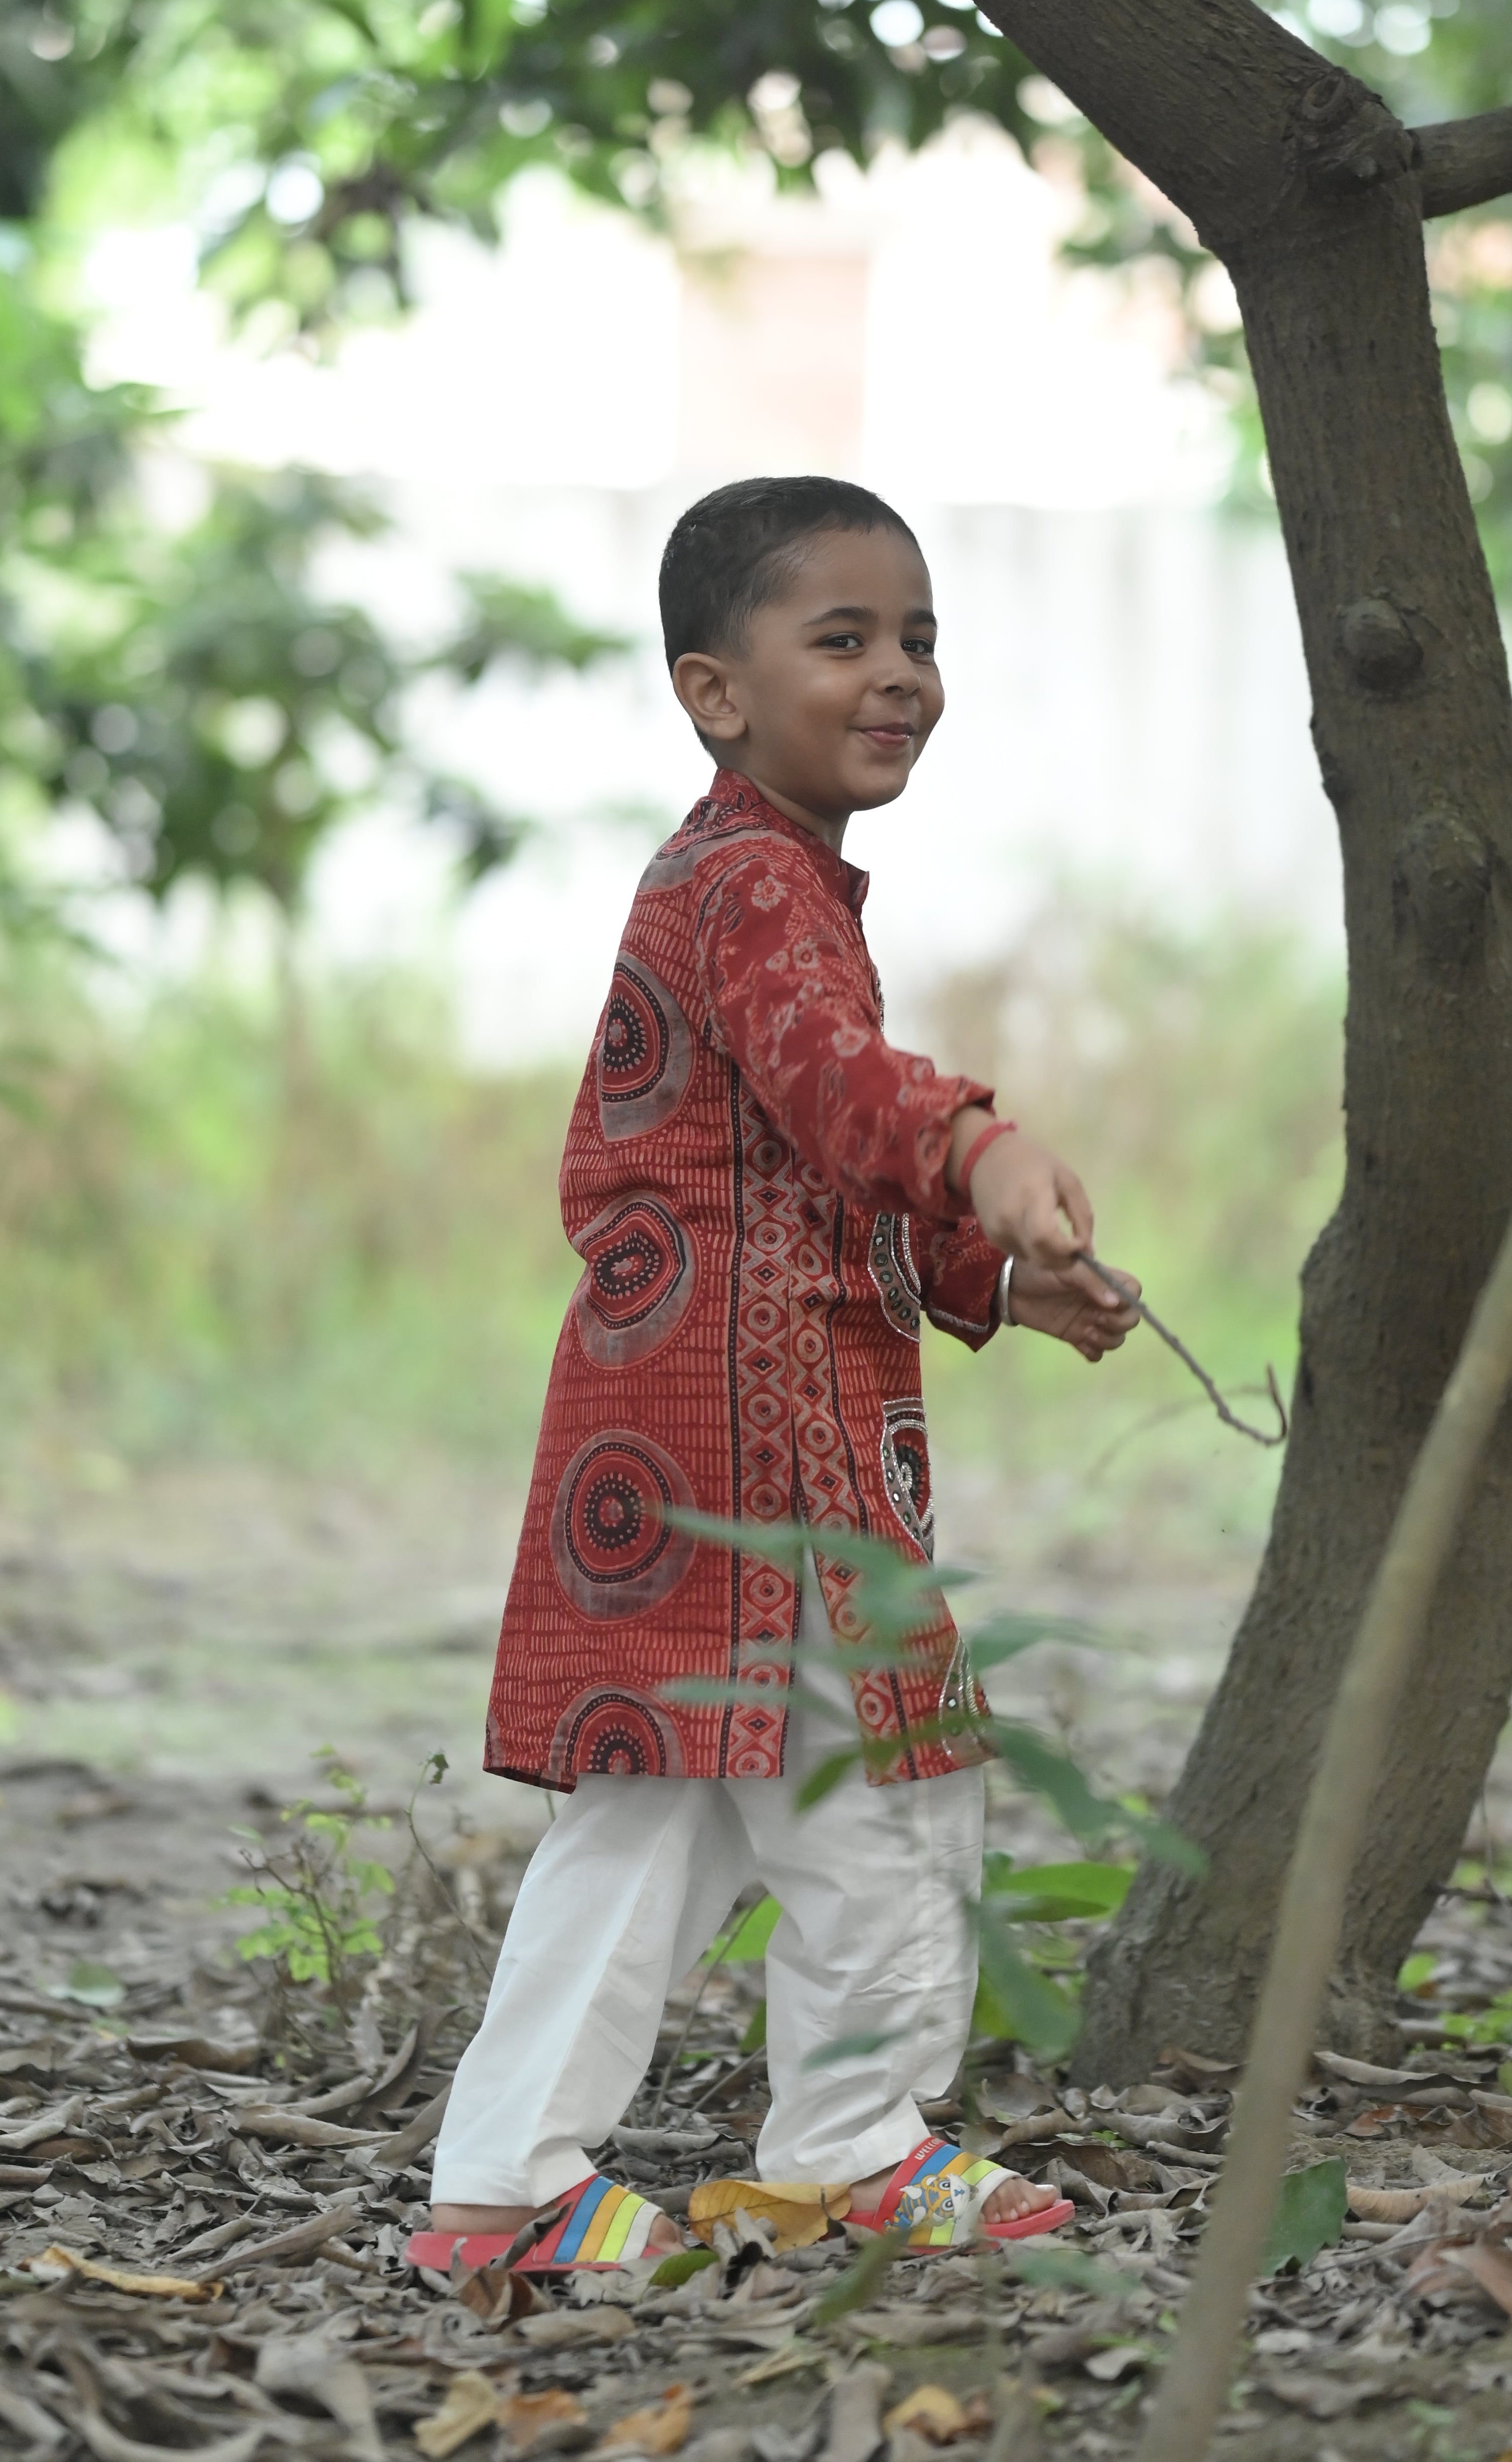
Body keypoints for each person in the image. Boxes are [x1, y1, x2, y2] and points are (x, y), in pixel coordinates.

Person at [411, 477, 1138, 2276]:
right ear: (714, 692)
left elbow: (783, 1169)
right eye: (845, 639)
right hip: (747, 1446)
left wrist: (982, 1279)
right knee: (881, 1778)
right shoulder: (752, 882)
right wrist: (976, 1149)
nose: (899, 674)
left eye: (920, 638)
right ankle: (846, 2145)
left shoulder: (762, 876)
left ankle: (520, 2187)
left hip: (708, 1427)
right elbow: (833, 1083)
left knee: (664, 1799)